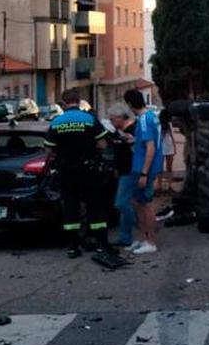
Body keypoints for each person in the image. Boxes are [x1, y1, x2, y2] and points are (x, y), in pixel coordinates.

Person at [44, 88, 122, 266]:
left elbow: (49, 150)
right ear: (79, 102)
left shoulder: (57, 122)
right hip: (89, 170)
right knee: (95, 206)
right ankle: (102, 244)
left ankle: (73, 247)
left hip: (67, 172)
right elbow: (102, 144)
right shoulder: (89, 119)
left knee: (71, 208)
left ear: (63, 104)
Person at [125, 89, 162, 254]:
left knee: (145, 205)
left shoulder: (145, 120)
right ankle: (143, 238)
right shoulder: (152, 116)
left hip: (143, 168)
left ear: (130, 104)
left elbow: (151, 147)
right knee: (137, 203)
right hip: (142, 166)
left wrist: (144, 173)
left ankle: (150, 241)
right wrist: (135, 140)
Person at [105, 103, 140, 249]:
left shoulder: (133, 130)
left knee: (122, 203)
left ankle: (138, 230)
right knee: (132, 204)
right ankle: (128, 235)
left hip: (131, 171)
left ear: (120, 117)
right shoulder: (119, 132)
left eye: (112, 119)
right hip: (125, 171)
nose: (111, 122)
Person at [159, 108, 177, 194]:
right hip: (164, 146)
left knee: (167, 167)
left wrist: (174, 146)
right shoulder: (159, 125)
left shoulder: (168, 125)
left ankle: (167, 186)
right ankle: (161, 186)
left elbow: (172, 136)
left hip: (168, 146)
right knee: (163, 168)